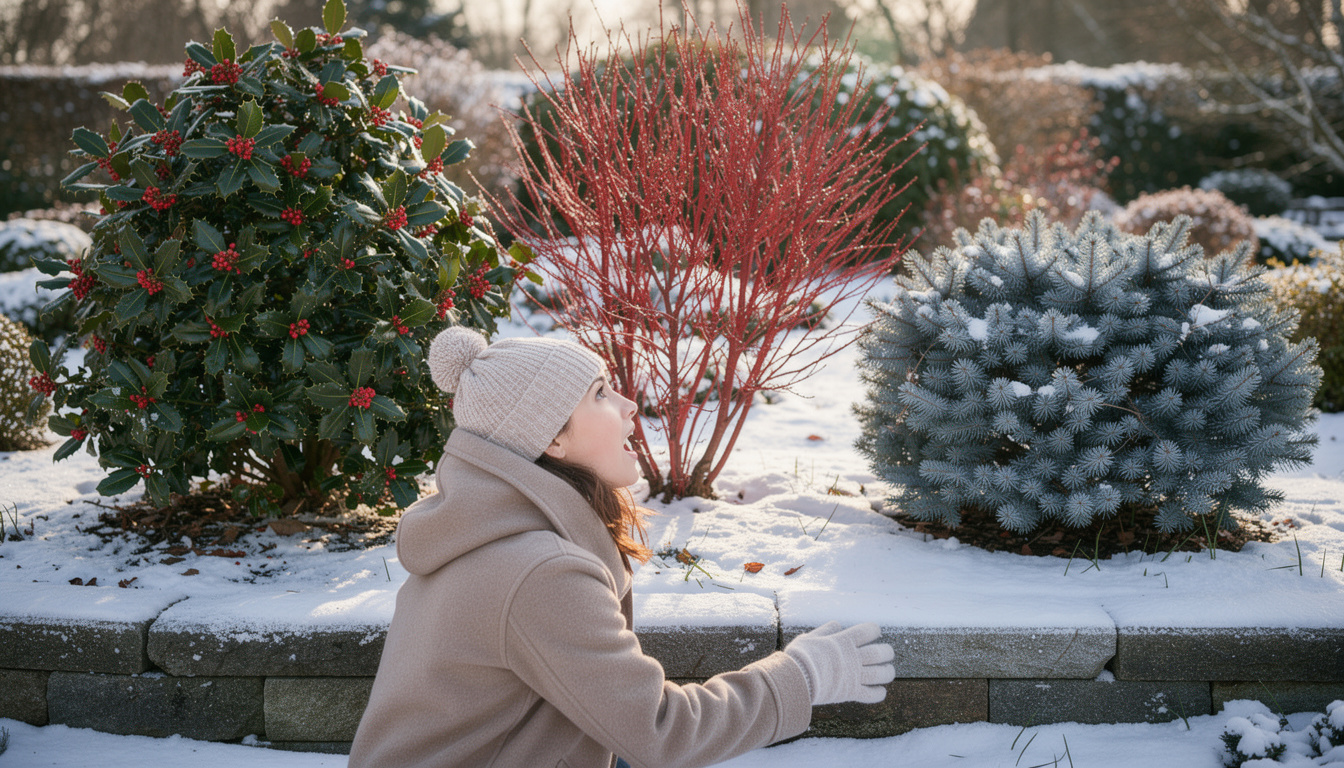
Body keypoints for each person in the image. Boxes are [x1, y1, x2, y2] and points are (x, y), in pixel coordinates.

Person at [348, 327, 896, 768]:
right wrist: (803, 677)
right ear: (552, 440)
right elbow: (659, 734)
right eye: (601, 394)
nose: (630, 404)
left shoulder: (488, 535)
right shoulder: (539, 573)